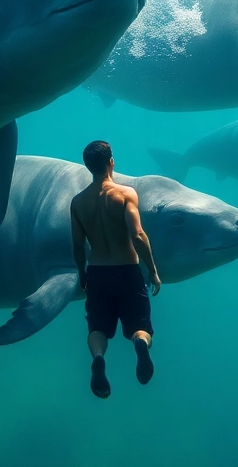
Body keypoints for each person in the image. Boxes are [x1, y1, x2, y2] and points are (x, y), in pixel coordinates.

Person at [70, 140, 160, 399]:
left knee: (97, 329)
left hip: (98, 273)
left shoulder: (78, 202)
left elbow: (77, 245)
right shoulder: (125, 194)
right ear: (111, 162)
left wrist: (82, 272)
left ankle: (98, 358)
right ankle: (140, 344)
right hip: (128, 271)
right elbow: (138, 234)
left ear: (88, 166)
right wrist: (152, 270)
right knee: (140, 326)